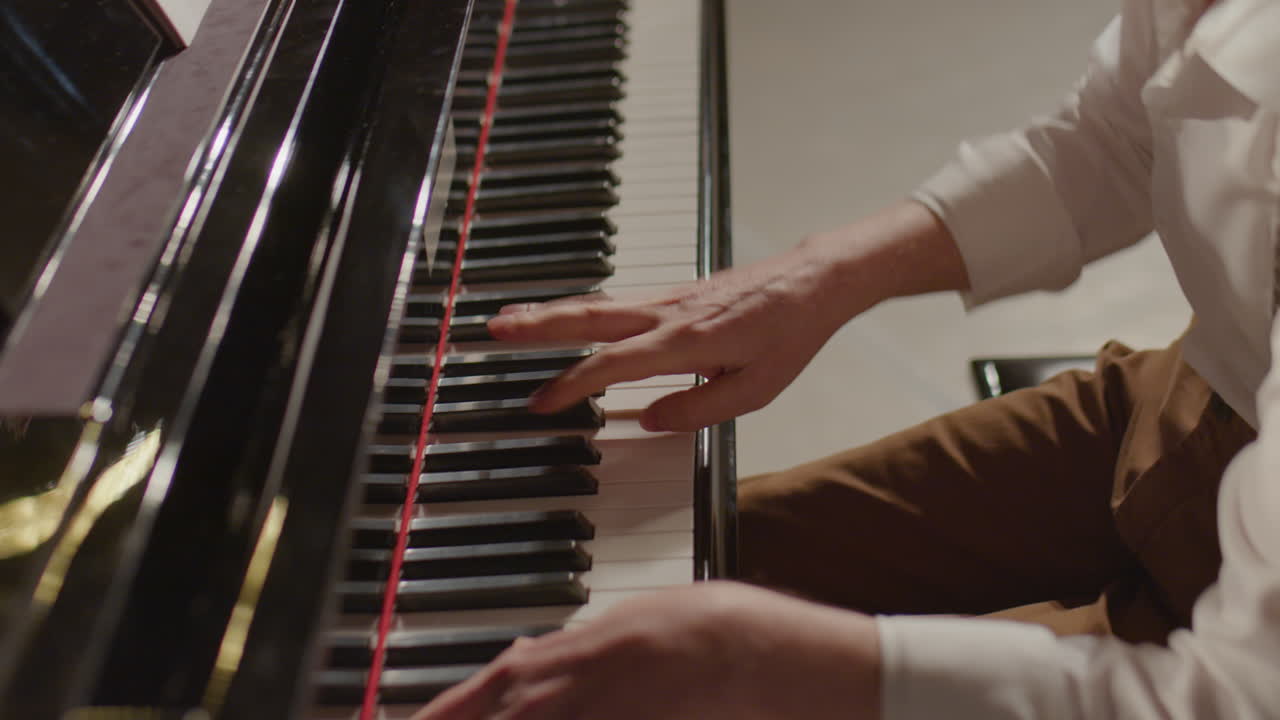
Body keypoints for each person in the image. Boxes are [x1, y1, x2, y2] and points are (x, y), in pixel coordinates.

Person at [413, 0, 1280, 717]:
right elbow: (1119, 135)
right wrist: (820, 275)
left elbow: (1228, 700)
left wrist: (794, 665)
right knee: (644, 586)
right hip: (1199, 400)